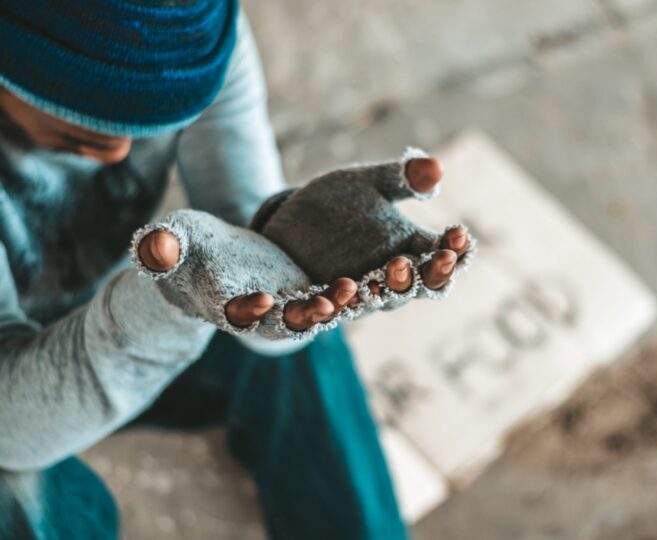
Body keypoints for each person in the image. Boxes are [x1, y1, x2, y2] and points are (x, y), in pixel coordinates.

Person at [0, 1, 468, 538]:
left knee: (301, 296)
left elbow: (250, 246)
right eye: (79, 126)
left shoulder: (197, 34)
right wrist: (170, 302)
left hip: (87, 307)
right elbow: (8, 429)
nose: (119, 153)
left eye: (153, 122)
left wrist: (289, 253)